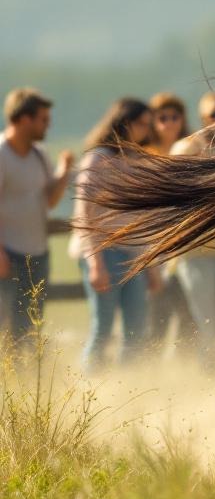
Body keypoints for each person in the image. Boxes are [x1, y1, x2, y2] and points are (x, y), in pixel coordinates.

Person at [70, 97, 158, 372]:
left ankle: (126, 388)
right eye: (142, 124)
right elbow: (85, 213)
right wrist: (95, 263)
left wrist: (150, 264)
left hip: (133, 254)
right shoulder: (98, 159)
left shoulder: (138, 161)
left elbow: (142, 216)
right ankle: (90, 387)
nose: (147, 130)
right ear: (125, 123)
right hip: (103, 251)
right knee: (103, 327)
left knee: (137, 329)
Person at [172, 92, 215, 371]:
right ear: (203, 117)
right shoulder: (186, 148)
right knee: (207, 326)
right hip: (196, 252)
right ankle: (208, 380)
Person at [0, 88, 74, 348]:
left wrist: (63, 172)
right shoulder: (1, 154)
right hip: (8, 255)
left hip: (37, 254)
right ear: (23, 119)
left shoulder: (39, 154)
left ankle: (27, 380)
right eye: (43, 119)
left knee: (31, 325)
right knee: (7, 325)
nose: (48, 124)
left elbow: (49, 201)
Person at [144, 92, 198, 354]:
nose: (169, 122)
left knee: (189, 315)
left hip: (186, 246)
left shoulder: (191, 152)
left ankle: (184, 372)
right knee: (158, 316)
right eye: (162, 117)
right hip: (157, 246)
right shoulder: (146, 157)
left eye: (174, 116)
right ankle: (150, 371)